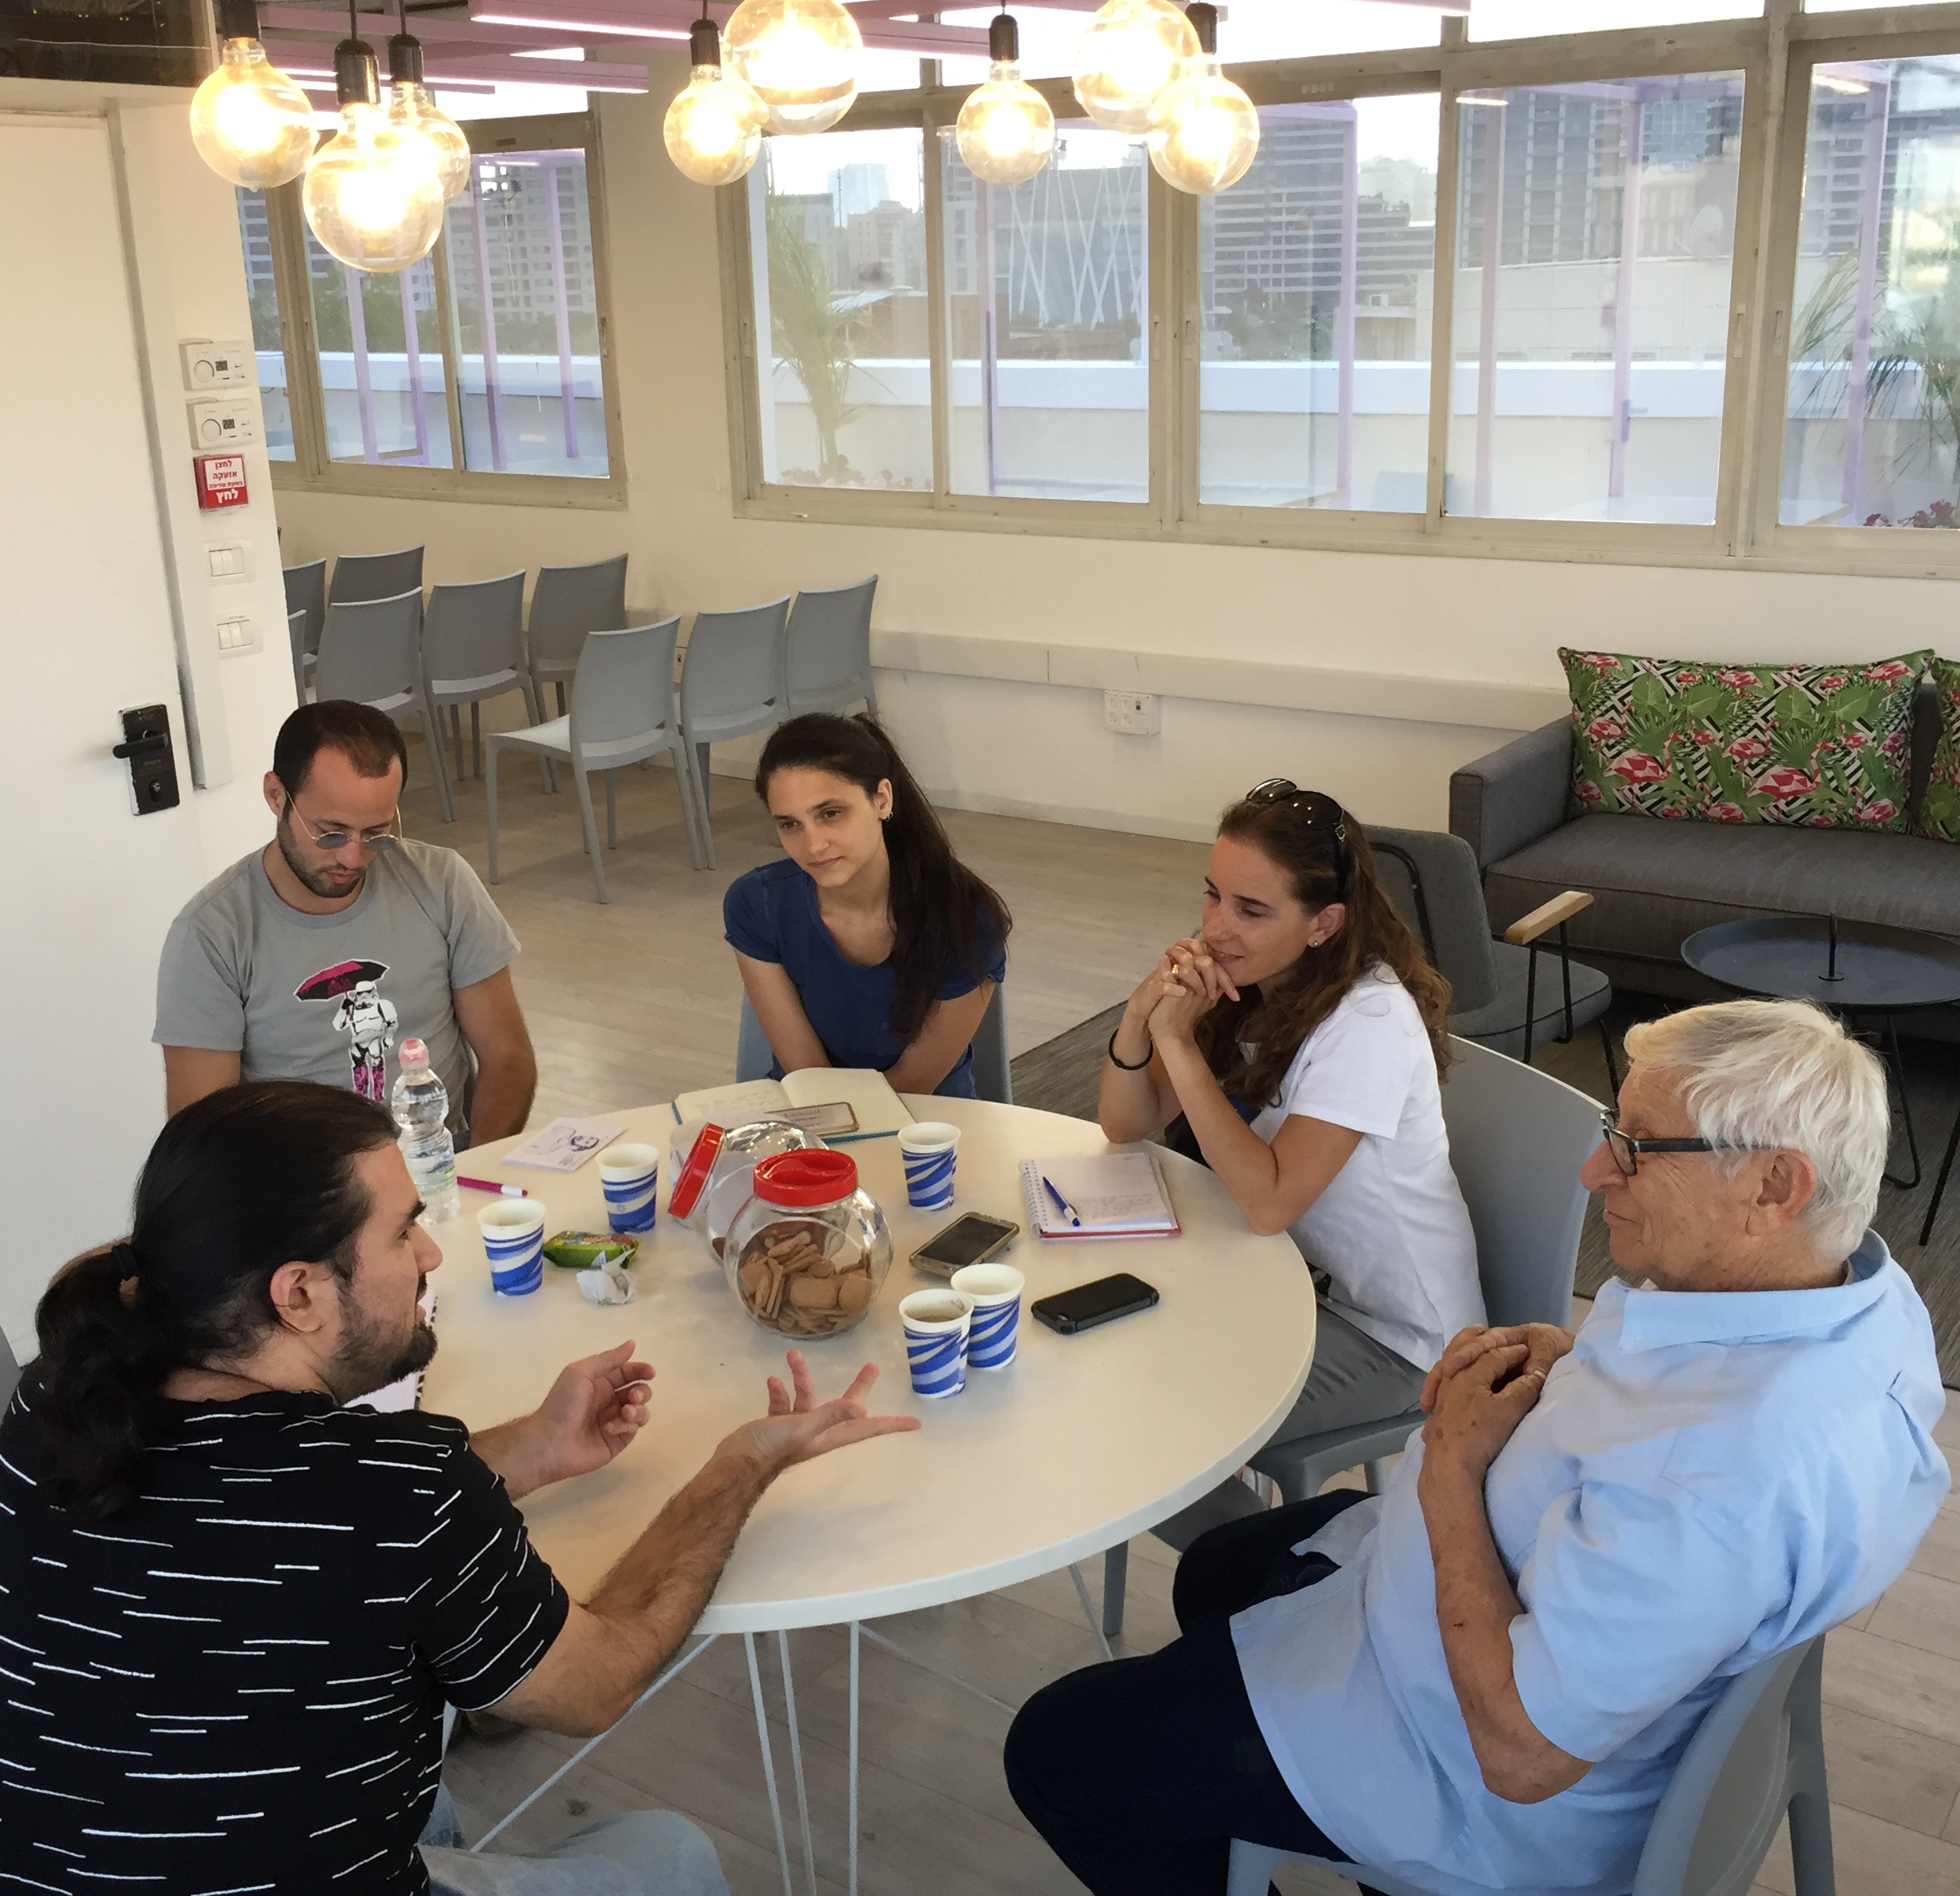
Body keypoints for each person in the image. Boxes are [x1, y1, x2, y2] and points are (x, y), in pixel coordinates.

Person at [1007, 999, 1949, 1896]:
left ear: (1775, 1186)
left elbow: (1520, 1756)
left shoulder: (1715, 1478)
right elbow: (1687, 1439)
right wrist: (1572, 1360)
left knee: (1056, 1753)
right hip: (1498, 1599)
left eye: (1635, 1147)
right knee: (1217, 1567)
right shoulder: (1855, 1295)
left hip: (1462, 1772)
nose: (1596, 1172)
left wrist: (1452, 1466)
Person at [0, 1081, 918, 1894]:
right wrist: (740, 1465)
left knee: (422, 1788)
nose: (431, 1255)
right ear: (299, 1294)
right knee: (668, 1852)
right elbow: (597, 1683)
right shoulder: (400, 1491)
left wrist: (534, 1450)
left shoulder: (53, 1401)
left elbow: (315, 1525)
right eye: (403, 1230)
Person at [1099, 781, 1483, 1454]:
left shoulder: (1369, 1020)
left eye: (1251, 909)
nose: (1215, 928)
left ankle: (1239, 1525)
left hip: (1397, 1337)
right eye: (1213, 895)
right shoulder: (1251, 980)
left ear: (1323, 924)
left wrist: (1178, 1042)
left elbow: (1269, 1204)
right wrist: (1139, 1017)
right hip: (1289, 1283)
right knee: (1113, 1363)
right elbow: (1126, 1123)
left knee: (1161, 1429)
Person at [155, 700, 536, 1143]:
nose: (353, 858)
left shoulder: (441, 882)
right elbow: (202, 1138)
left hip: (440, 1161)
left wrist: (474, 1173)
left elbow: (508, 1057)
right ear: (276, 796)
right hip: (306, 1182)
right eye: (330, 833)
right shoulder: (212, 934)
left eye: (376, 833)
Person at [724, 713, 1011, 1098]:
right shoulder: (756, 904)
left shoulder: (966, 917)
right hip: (811, 1110)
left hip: (928, 1122)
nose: (813, 845)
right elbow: (806, 1073)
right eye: (790, 824)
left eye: (830, 814)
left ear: (882, 799)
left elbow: (914, 1084)